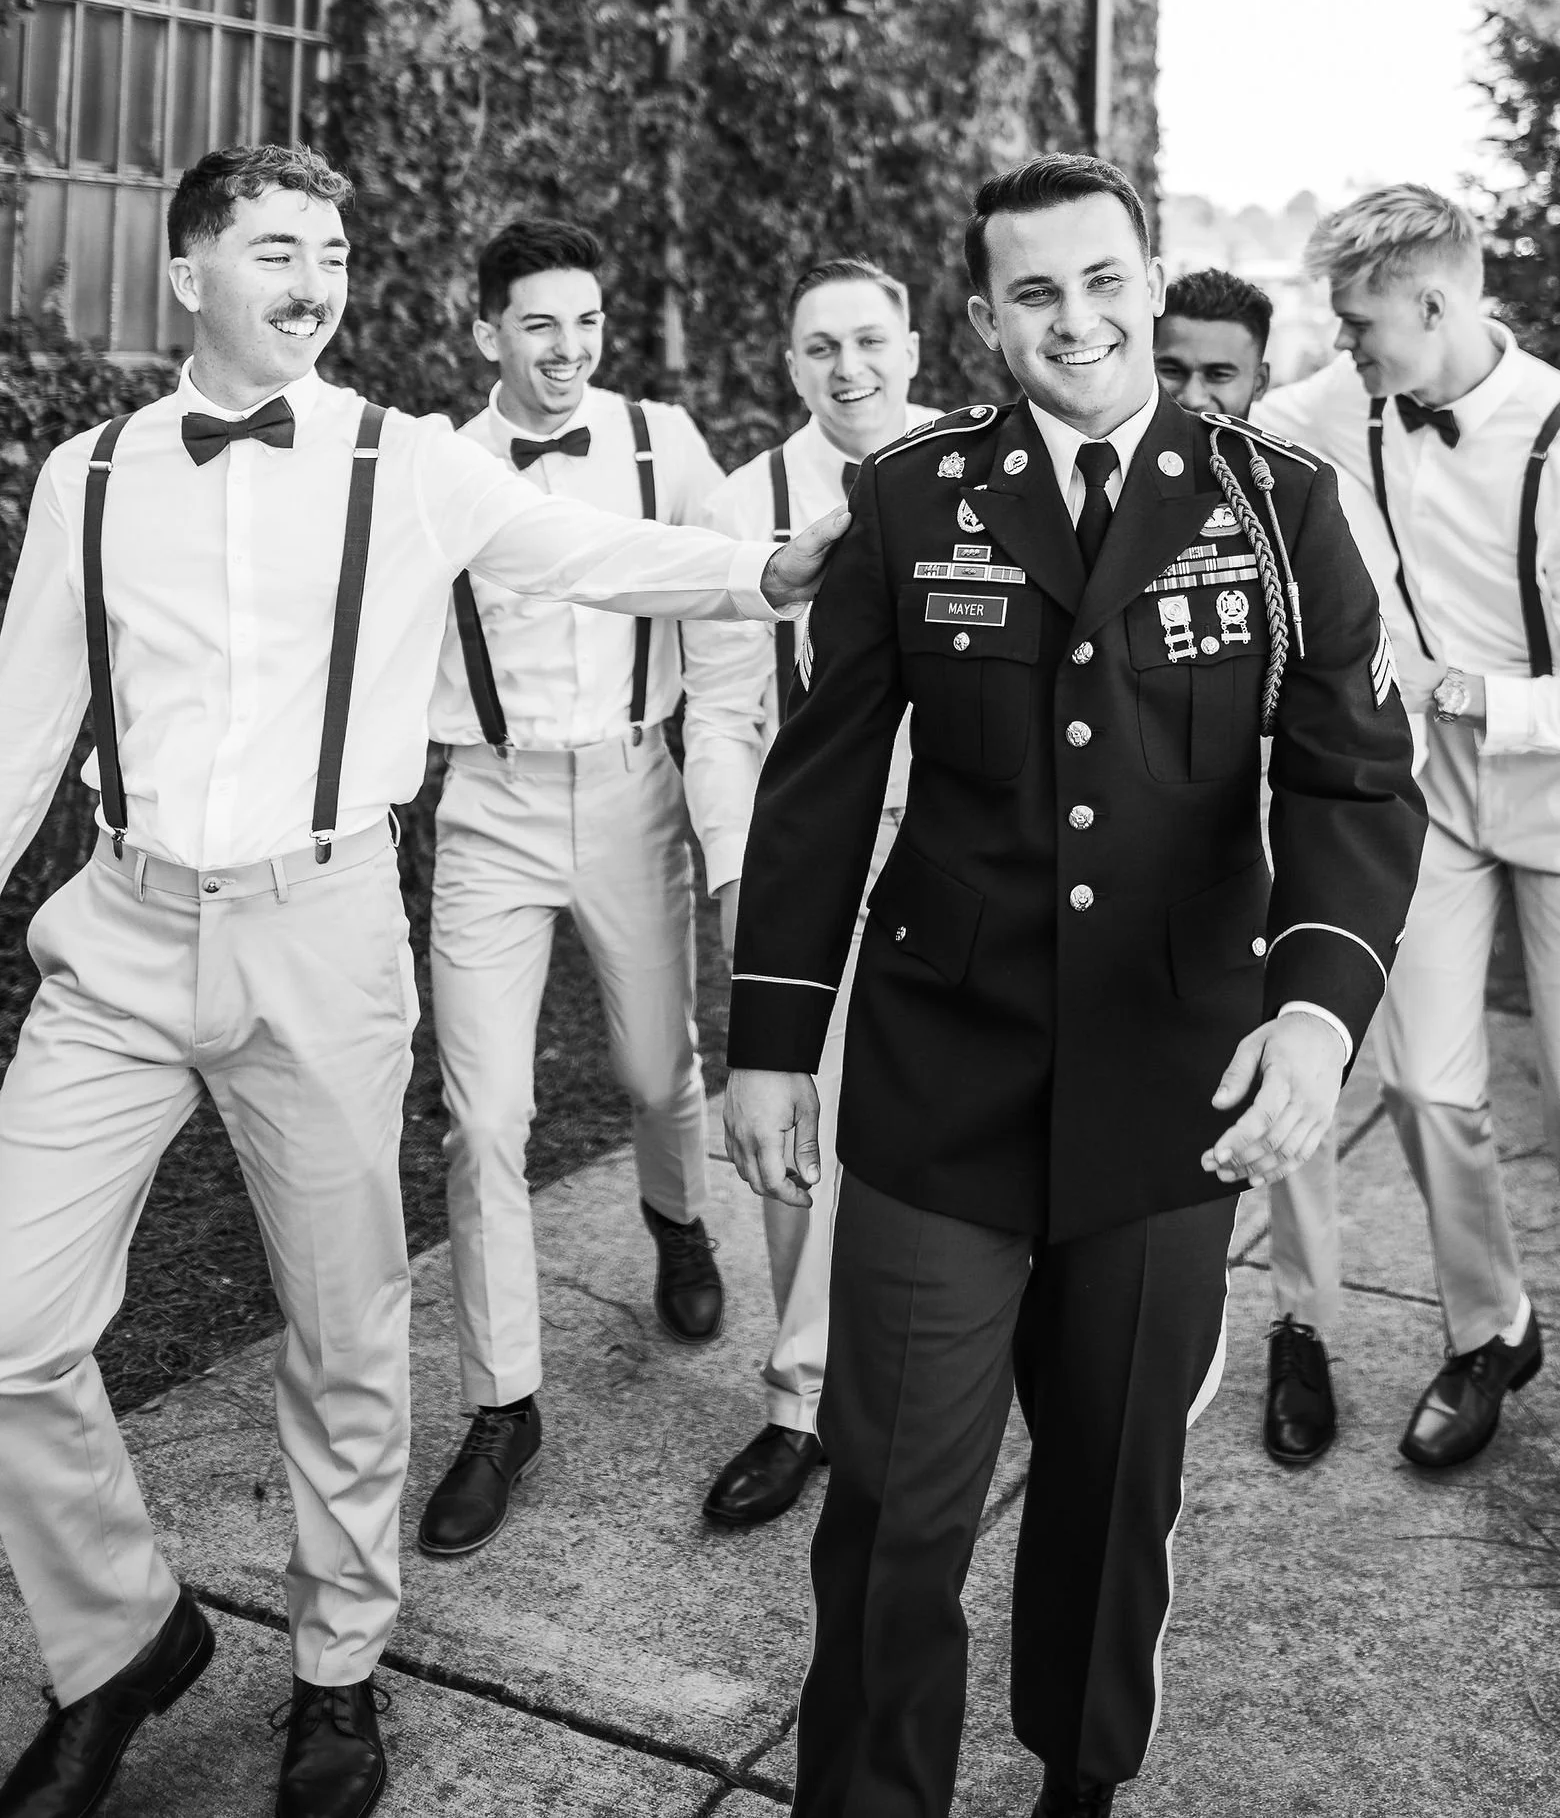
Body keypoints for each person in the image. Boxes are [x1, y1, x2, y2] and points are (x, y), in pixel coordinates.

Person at [0, 145, 844, 1818]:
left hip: (322, 927)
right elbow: (20, 724)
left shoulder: (402, 461)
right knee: (9, 1331)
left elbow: (585, 548)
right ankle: (119, 1636)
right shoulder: (93, 476)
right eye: (273, 249)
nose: (314, 280)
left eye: (332, 250)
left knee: (344, 1324)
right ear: (187, 274)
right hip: (117, 930)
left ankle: (337, 1665)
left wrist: (760, 568)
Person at [724, 152, 1425, 1818]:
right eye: (1034, 290)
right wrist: (766, 1041)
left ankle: (1081, 1776)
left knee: (1117, 1484)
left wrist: (1316, 1008)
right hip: (937, 1077)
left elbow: (1347, 780)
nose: (1078, 317)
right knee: (894, 1498)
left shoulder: (1277, 502)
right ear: (981, 316)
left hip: (1169, 1081)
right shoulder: (909, 498)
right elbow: (819, 784)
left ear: (1146, 275)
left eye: (1103, 279)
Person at [1261, 182, 1560, 1607]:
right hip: (1430, 796)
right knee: (1431, 1086)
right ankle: (1491, 1328)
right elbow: (1226, 434)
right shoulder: (1342, 404)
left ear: (1437, 307)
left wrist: (1474, 694)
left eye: (1363, 320)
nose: (1346, 344)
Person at [415, 216, 732, 1564]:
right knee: (484, 1119)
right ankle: (503, 1407)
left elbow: (741, 597)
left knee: (660, 1073)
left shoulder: (661, 443)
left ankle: (677, 1214)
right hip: (487, 804)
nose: (566, 348)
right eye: (538, 323)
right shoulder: (434, 467)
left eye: (586, 321)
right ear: (485, 330)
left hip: (629, 785)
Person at [682, 256, 934, 1530]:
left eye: (871, 340)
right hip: (819, 850)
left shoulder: (976, 464)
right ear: (791, 366)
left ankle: (937, 1373)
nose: (851, 368)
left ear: (913, 343)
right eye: (822, 348)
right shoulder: (745, 501)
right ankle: (800, 1398)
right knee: (795, 1121)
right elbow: (723, 718)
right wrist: (739, 873)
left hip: (956, 843)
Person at [1154, 266, 1346, 1474]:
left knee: (1292, 1069)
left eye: (1217, 372)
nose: (1191, 393)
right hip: (1161, 848)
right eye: (1172, 369)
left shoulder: (1294, 495)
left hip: (1281, 824)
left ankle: (1303, 1325)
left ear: (1260, 377)